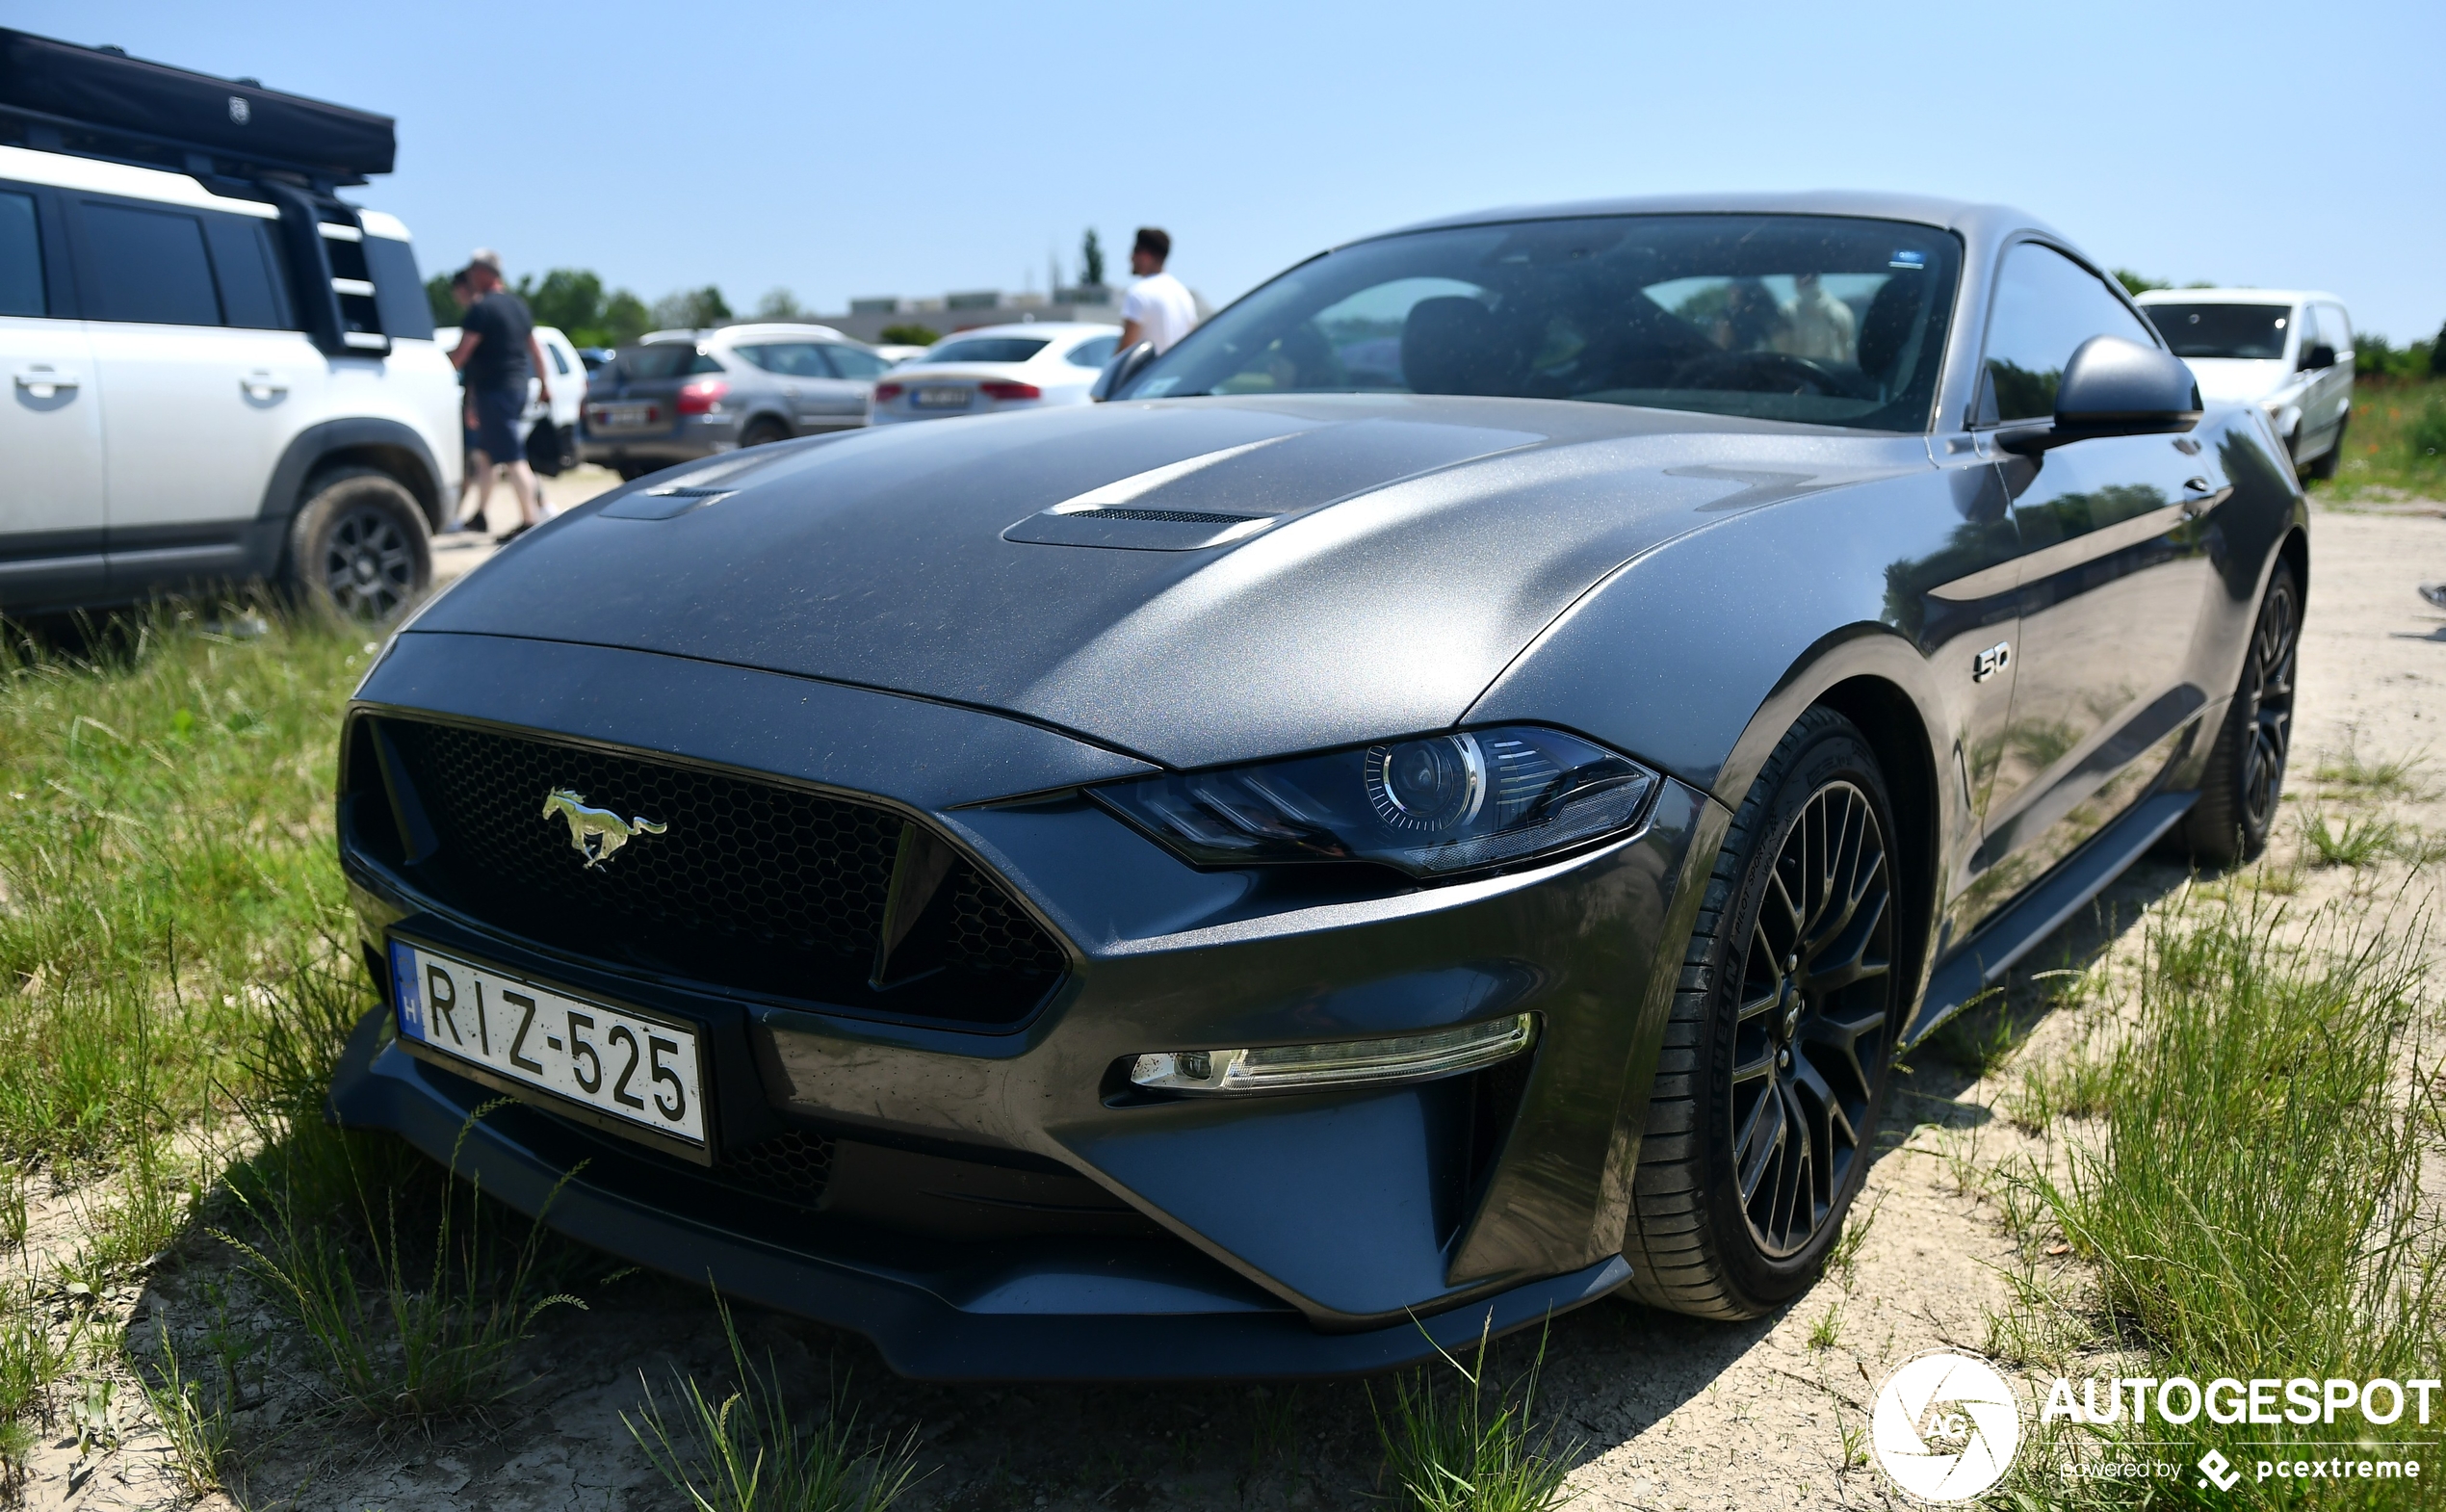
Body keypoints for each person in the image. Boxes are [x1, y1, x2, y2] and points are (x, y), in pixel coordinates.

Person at [449, 249, 551, 540]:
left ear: (483, 273)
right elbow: (536, 349)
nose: (469, 279)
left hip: (496, 391)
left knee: (513, 457)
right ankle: (480, 516)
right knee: (485, 456)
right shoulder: (518, 306)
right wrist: (545, 384)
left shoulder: (482, 309)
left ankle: (531, 520)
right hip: (515, 387)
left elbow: (462, 354)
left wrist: (440, 369)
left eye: (471, 273)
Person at [1117, 227, 1197, 355]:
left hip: (1150, 374)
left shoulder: (1139, 293)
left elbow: (1125, 351)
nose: (1130, 258)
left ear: (1145, 256)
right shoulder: (1184, 295)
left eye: (1134, 252)